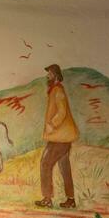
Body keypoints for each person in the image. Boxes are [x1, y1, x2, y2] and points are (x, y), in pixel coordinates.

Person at [34, 63, 78, 209]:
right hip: (62, 136)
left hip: (59, 136)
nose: (47, 76)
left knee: (45, 163)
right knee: (64, 166)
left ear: (56, 76)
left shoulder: (58, 90)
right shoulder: (55, 90)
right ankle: (70, 199)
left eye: (50, 74)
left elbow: (62, 111)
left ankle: (47, 198)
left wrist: (52, 124)